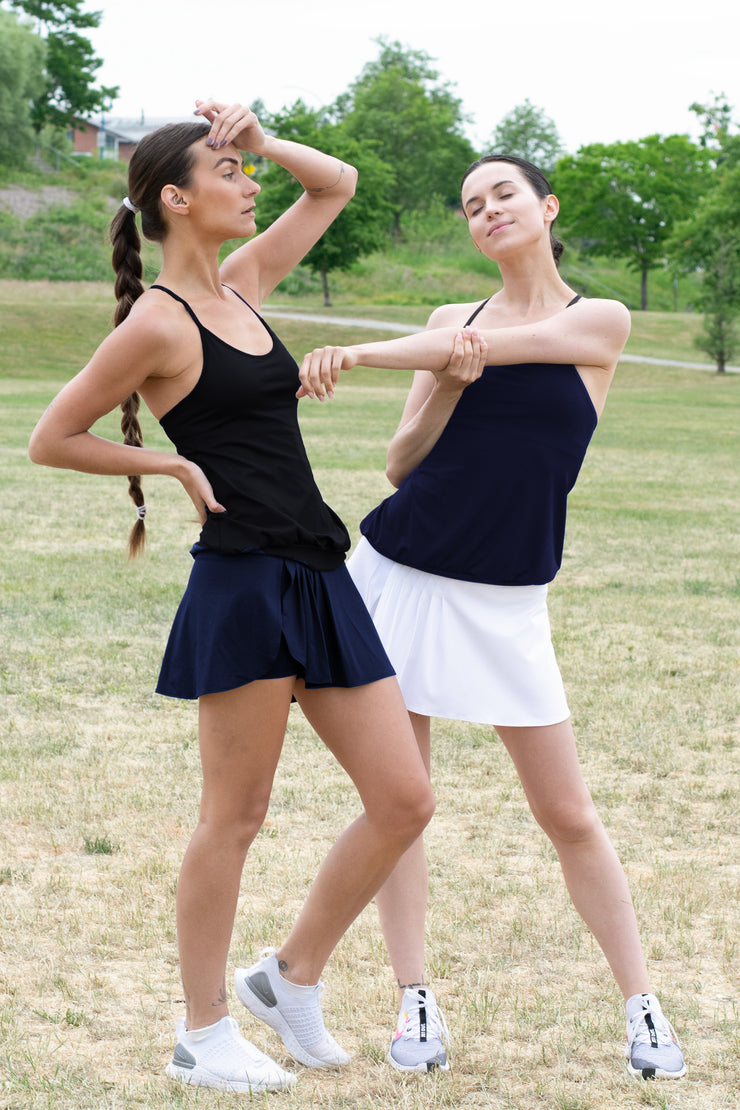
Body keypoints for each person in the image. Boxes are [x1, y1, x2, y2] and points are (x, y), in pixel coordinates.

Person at [28, 99, 436, 1094]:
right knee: (234, 817)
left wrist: (256, 139)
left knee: (403, 800)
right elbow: (52, 436)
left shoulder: (245, 285)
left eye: (246, 171)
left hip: (318, 570)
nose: (249, 184)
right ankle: (201, 1032)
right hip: (243, 580)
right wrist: (167, 465)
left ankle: (287, 977)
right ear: (176, 199)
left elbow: (333, 184)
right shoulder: (155, 323)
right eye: (227, 171)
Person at [298, 154, 687, 1081]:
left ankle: (642, 1005)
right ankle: (414, 1000)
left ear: (546, 207)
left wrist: (358, 353)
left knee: (568, 812)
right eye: (472, 205)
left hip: (508, 596)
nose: (488, 210)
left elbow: (509, 350)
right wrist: (447, 381)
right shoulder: (450, 325)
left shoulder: (597, 319)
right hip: (401, 574)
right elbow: (401, 464)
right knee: (399, 807)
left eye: (503, 193)